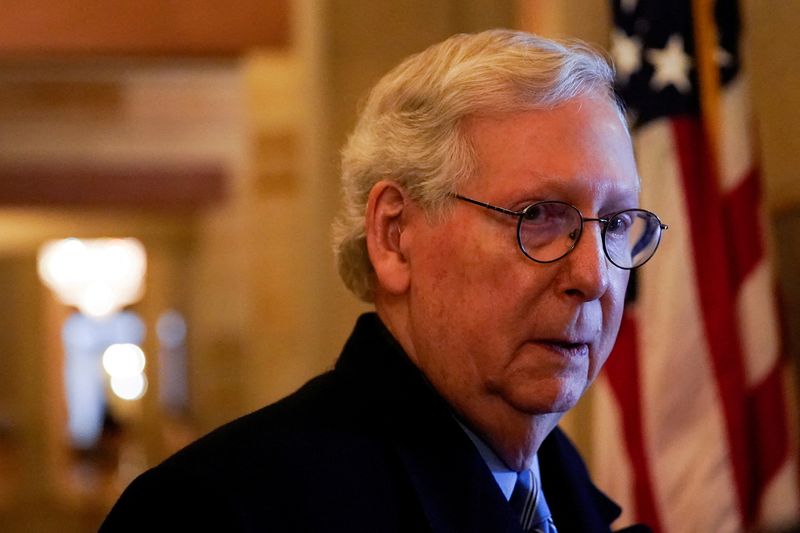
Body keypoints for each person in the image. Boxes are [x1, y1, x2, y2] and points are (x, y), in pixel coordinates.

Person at [100, 29, 666, 532]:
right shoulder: (213, 513)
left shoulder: (569, 495)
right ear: (395, 236)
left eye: (615, 224)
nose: (593, 276)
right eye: (538, 216)